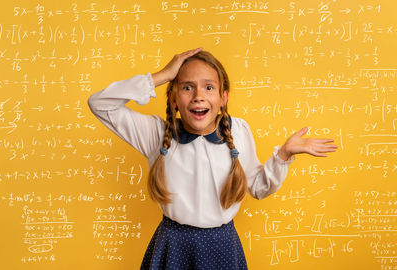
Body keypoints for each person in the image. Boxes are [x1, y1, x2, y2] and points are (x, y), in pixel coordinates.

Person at [87, 47, 337, 269]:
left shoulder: (237, 131)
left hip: (222, 247)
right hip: (172, 247)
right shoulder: (156, 133)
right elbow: (99, 103)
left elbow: (258, 188)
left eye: (209, 87)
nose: (198, 95)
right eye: (187, 87)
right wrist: (163, 75)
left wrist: (284, 155)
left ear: (223, 98)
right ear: (174, 99)